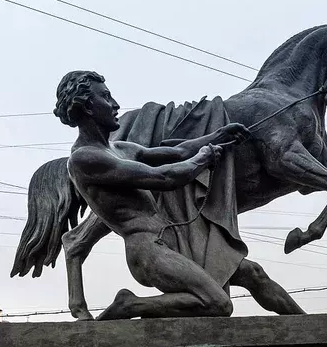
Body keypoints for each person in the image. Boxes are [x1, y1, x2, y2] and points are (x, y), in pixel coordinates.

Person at [55, 70, 258, 319]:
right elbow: (164, 178)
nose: (115, 105)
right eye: (106, 98)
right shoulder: (85, 158)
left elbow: (177, 152)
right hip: (146, 248)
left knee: (222, 297)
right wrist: (202, 158)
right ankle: (129, 305)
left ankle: (129, 305)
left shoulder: (121, 148)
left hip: (165, 242)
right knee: (218, 304)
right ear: (88, 106)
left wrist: (219, 135)